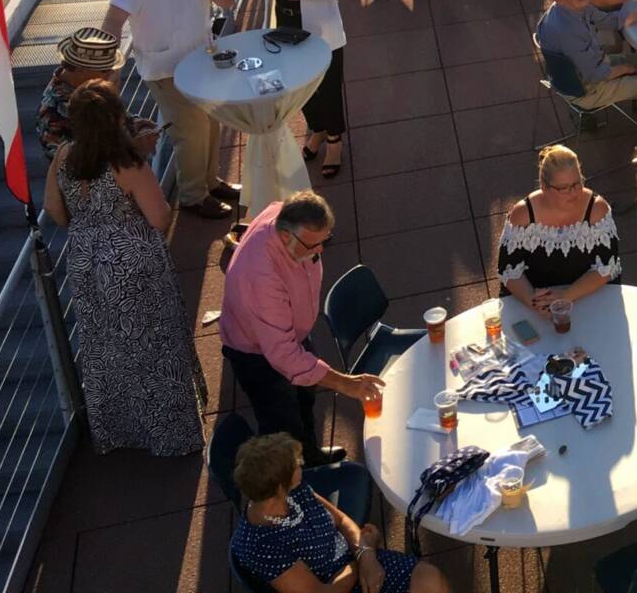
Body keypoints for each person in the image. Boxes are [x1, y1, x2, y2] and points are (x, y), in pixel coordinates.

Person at [41, 84, 204, 456]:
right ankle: (171, 435)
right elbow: (160, 217)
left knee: (105, 347)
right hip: (131, 261)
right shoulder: (126, 164)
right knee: (155, 345)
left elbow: (54, 207)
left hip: (84, 259)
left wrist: (88, 227)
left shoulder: (64, 155)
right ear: (115, 119)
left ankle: (119, 431)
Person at [220, 193, 383, 467]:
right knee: (281, 425)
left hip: (290, 334)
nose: (319, 251)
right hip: (257, 355)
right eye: (313, 245)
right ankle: (295, 485)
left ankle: (310, 456)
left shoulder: (287, 216)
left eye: (324, 241)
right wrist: (345, 383)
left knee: (305, 398)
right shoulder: (262, 277)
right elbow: (283, 356)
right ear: (286, 236)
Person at [101, 0, 239, 218]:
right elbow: (113, 20)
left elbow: (225, 1)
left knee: (211, 123)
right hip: (165, 68)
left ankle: (209, 181)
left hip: (203, 60)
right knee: (190, 132)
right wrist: (107, 67)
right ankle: (192, 197)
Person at [230, 432, 447, 593]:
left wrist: (367, 556)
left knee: (431, 578)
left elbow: (342, 520)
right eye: (296, 464)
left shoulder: (294, 492)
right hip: (340, 584)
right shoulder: (261, 545)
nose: (301, 465)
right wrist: (364, 554)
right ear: (278, 485)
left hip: (358, 559)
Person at [250, 0, 355, 176]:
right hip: (286, 29)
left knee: (329, 88)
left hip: (323, 32)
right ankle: (318, 130)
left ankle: (335, 141)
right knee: (301, 87)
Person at [498, 143, 626, 313]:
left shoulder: (596, 209)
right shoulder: (522, 214)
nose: (574, 193)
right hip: (538, 303)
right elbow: (509, 270)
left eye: (577, 183)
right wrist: (534, 301)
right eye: (564, 188)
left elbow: (607, 267)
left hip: (588, 297)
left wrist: (565, 296)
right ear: (544, 187)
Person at [37, 27, 158, 158]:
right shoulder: (53, 112)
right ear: (81, 69)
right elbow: (71, 167)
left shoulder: (87, 88)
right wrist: (131, 148)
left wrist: (134, 124)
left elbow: (111, 119)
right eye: (106, 69)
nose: (111, 74)